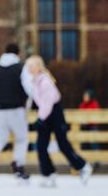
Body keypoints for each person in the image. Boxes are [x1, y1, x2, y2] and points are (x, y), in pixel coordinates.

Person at [24, 56, 93, 187]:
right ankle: (48, 173)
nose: (29, 69)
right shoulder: (34, 82)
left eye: (31, 66)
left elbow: (48, 102)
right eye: (28, 66)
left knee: (63, 144)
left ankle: (83, 166)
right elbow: (38, 102)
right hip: (45, 114)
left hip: (54, 113)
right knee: (41, 145)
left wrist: (40, 118)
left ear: (38, 67)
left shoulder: (45, 81)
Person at [0, 43, 31, 182]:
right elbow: (28, 88)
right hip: (16, 109)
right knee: (21, 138)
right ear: (18, 54)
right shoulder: (21, 68)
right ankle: (19, 166)